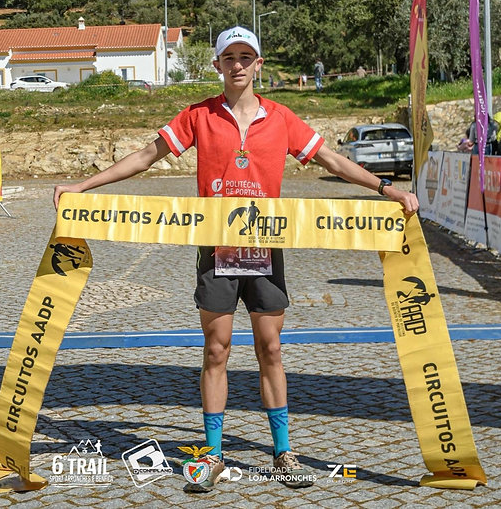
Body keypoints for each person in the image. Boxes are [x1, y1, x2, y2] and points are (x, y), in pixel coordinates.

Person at [53, 26, 418, 493]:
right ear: (217, 65)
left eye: (247, 56)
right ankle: (212, 457)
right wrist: (82, 187)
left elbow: (331, 160)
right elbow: (147, 156)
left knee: (270, 350)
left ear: (259, 64)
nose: (239, 64)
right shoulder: (199, 116)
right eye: (230, 57)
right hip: (216, 251)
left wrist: (387, 189)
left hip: (266, 250)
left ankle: (284, 453)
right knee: (216, 351)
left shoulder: (281, 118)